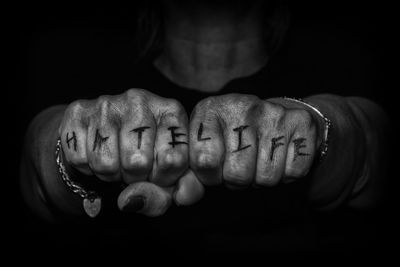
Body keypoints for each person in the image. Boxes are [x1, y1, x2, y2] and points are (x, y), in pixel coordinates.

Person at [18, 0, 391, 259]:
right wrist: (75, 146)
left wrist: (314, 125)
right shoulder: (75, 53)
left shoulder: (346, 52)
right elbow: (40, 150)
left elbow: (367, 142)